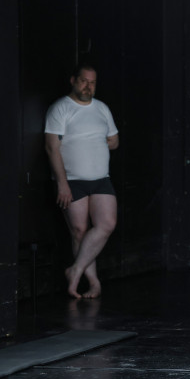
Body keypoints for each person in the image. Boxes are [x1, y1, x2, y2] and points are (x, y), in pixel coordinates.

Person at [45, 64, 119, 299]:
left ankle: (75, 270)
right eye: (84, 81)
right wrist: (62, 183)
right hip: (72, 180)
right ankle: (92, 282)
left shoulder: (102, 109)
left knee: (106, 224)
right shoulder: (60, 108)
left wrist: (94, 143)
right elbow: (51, 147)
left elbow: (114, 140)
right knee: (79, 231)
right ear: (73, 81)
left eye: (93, 82)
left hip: (100, 179)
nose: (88, 86)